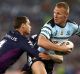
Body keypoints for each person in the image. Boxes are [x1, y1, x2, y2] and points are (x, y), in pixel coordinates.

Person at [30, 2, 80, 74]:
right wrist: (62, 48)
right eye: (54, 13)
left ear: (66, 15)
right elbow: (41, 42)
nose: (55, 16)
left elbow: (60, 59)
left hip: (49, 62)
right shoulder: (49, 26)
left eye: (58, 13)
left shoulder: (72, 26)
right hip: (37, 56)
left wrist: (51, 56)